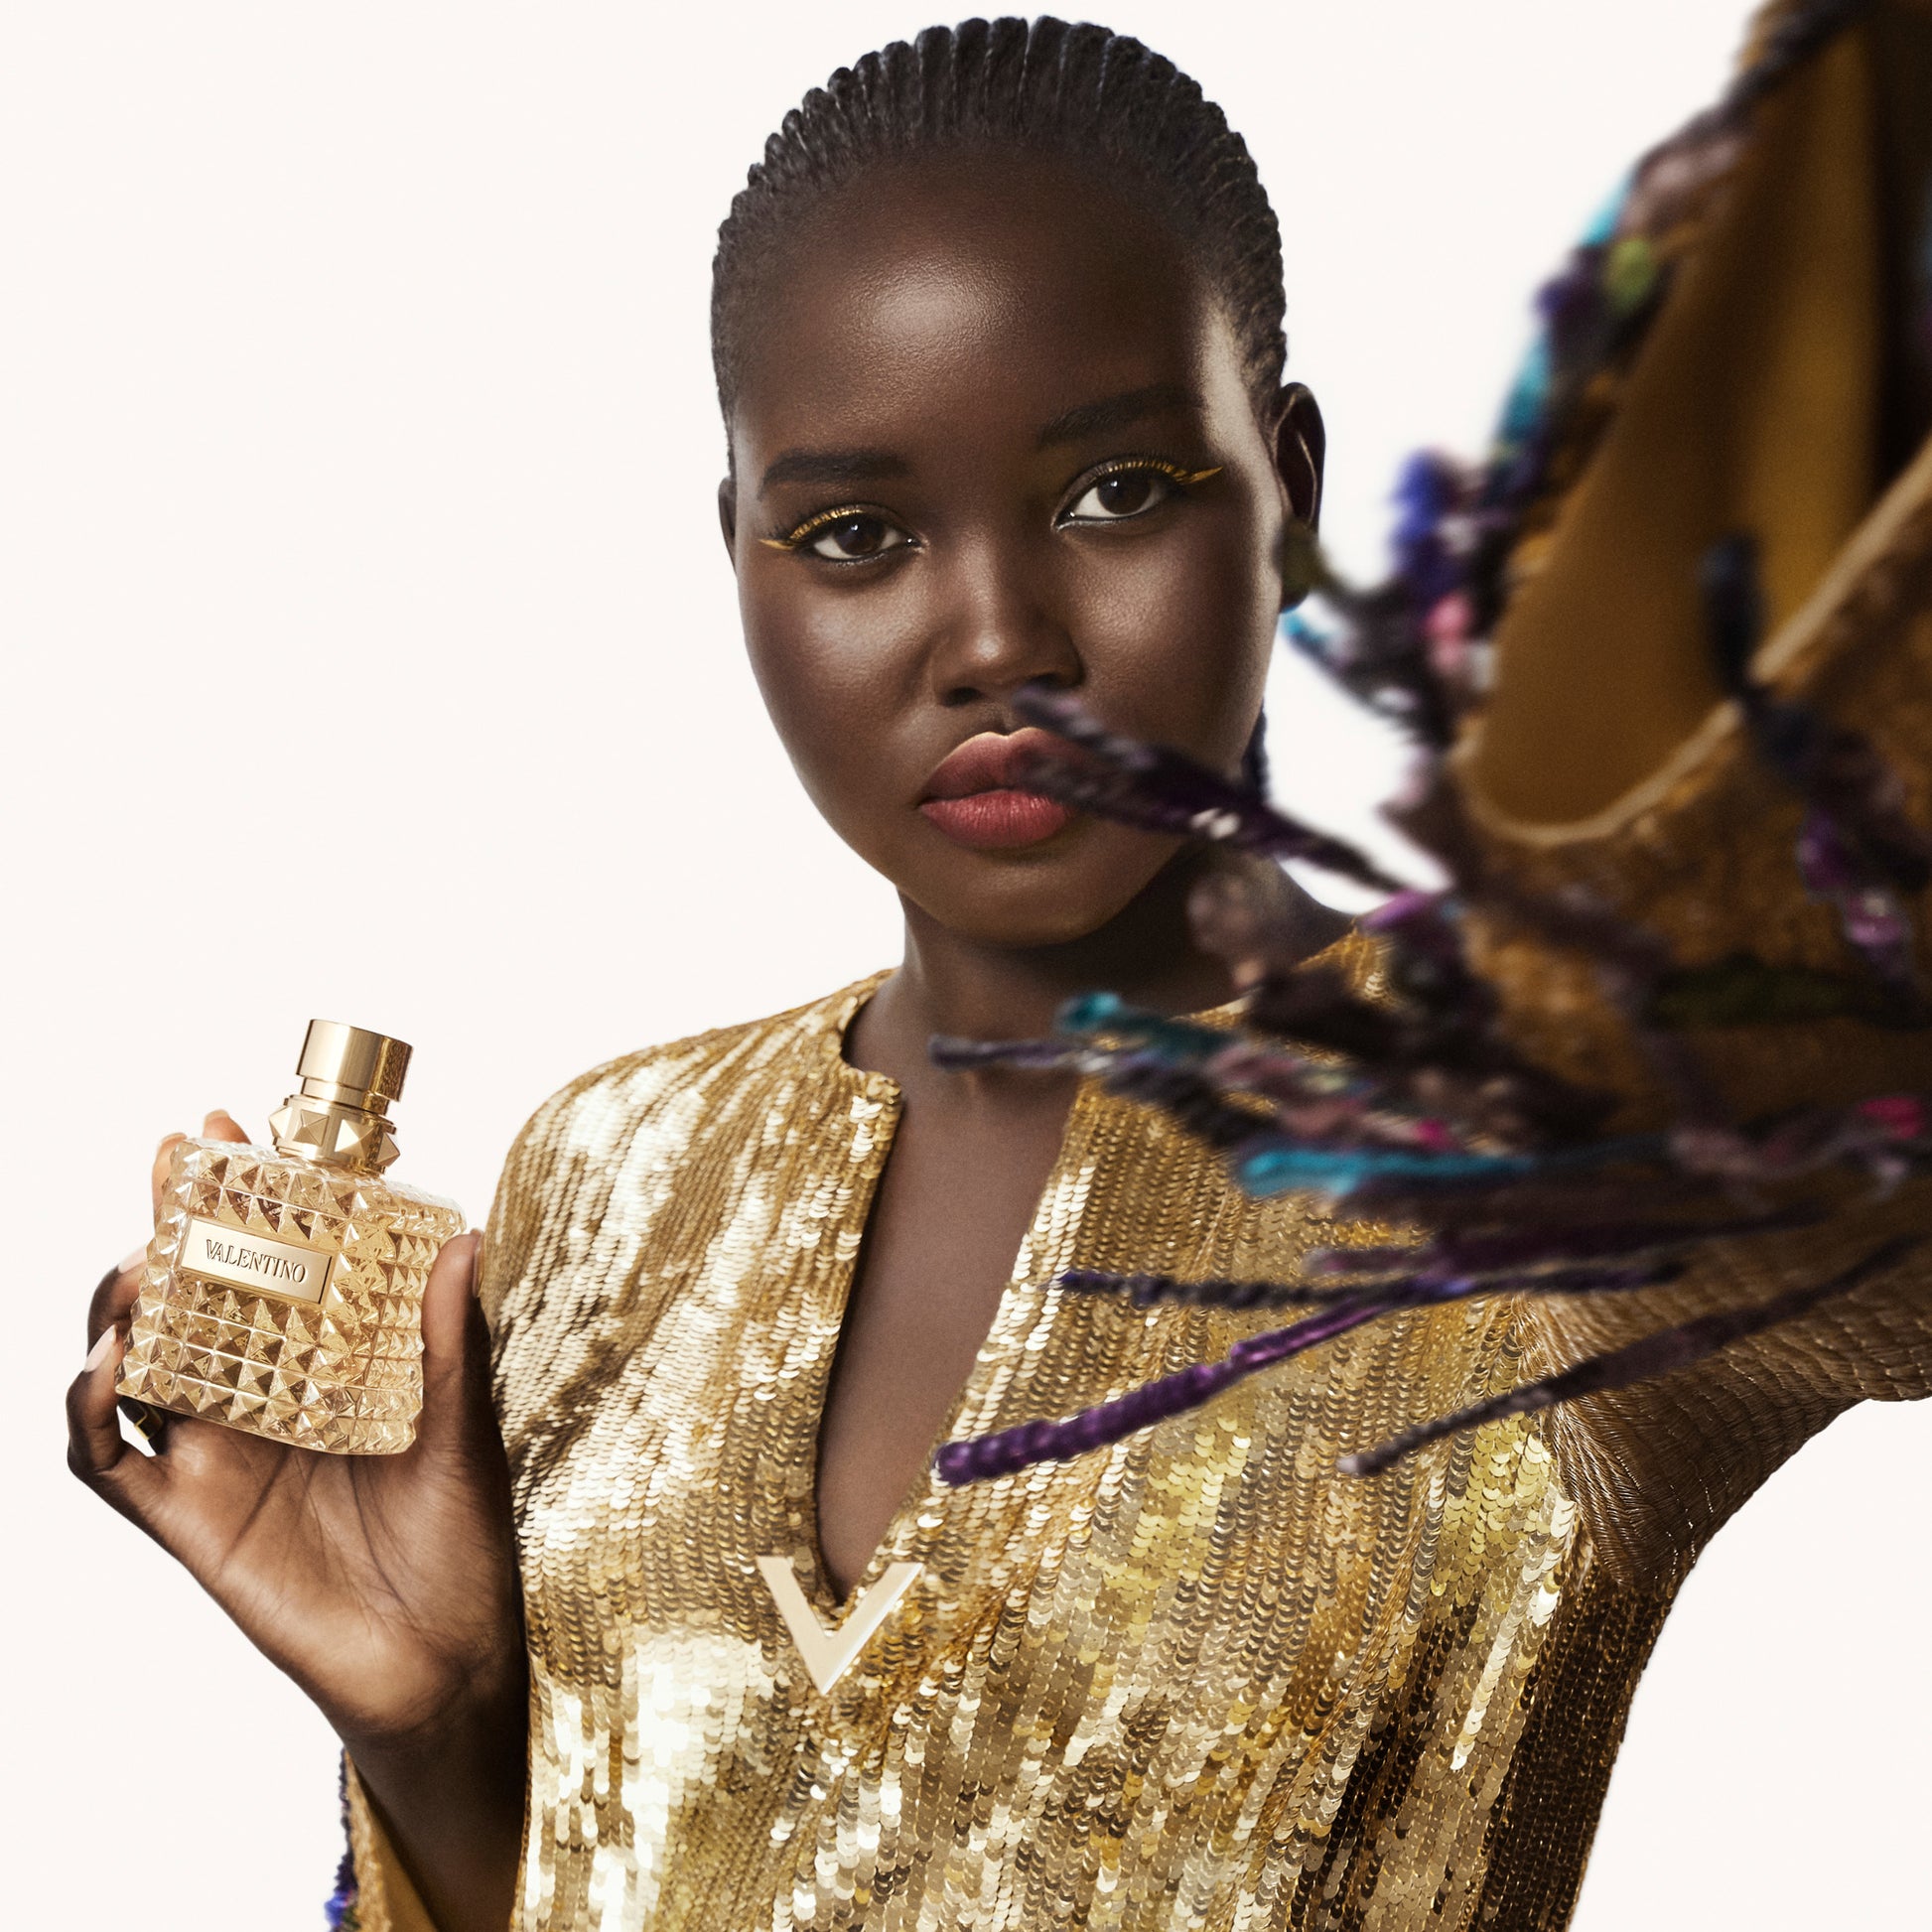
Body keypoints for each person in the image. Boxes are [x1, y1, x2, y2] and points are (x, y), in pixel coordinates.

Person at [67, 7, 1932, 1928]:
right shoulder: (604, 1172)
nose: (994, 638)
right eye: (855, 531)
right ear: (739, 556)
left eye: (1114, 490)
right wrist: (441, 1738)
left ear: (1284, 485)